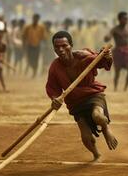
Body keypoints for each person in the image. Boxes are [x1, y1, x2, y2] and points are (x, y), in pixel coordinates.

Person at [46, 31, 118, 162]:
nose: (61, 50)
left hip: (93, 95)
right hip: (75, 102)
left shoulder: (83, 56)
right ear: (54, 49)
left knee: (97, 116)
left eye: (64, 45)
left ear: (71, 45)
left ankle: (106, 129)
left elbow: (101, 61)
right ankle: (96, 155)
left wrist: (106, 56)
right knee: (85, 136)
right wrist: (55, 99)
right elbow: (52, 88)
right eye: (57, 47)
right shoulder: (54, 67)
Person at [104, 11, 128, 91]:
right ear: (119, 19)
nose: (126, 20)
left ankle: (125, 88)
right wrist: (107, 37)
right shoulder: (115, 29)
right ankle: (115, 88)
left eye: (127, 19)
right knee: (117, 72)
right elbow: (108, 36)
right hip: (118, 52)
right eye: (124, 19)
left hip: (126, 51)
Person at [23, 13, 46, 78]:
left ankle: (34, 72)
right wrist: (24, 45)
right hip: (29, 45)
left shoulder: (41, 27)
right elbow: (24, 36)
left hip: (37, 46)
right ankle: (32, 69)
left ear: (38, 19)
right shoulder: (27, 27)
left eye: (37, 18)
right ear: (32, 19)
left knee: (36, 59)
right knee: (29, 59)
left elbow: (44, 37)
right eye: (34, 18)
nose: (35, 20)